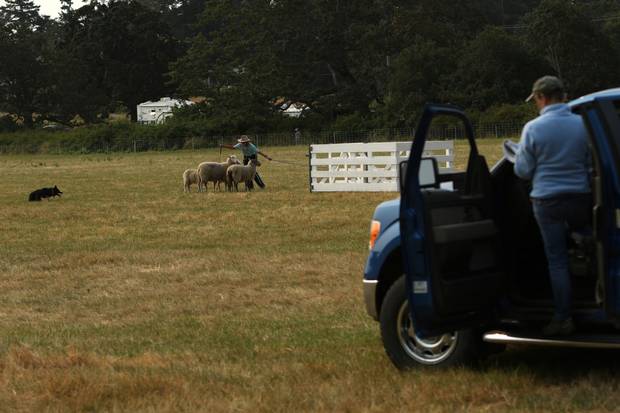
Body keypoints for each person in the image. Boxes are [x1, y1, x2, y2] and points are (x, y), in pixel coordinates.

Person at [514, 75, 592, 336]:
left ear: (542, 97)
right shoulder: (582, 124)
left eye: (535, 99)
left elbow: (523, 171)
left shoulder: (533, 129)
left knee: (556, 260)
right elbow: (589, 160)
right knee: (592, 243)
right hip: (580, 197)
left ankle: (563, 317)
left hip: (548, 202)